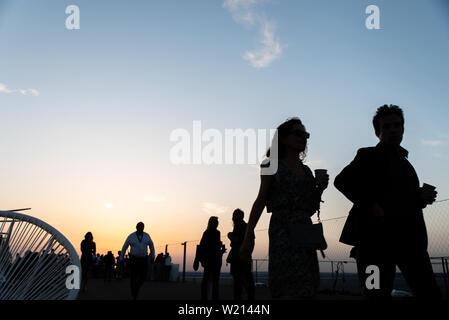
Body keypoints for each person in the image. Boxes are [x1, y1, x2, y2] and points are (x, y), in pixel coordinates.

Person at [334, 105, 442, 299]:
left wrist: (420, 198)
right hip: (373, 245)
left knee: (428, 291)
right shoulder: (368, 155)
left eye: (397, 125)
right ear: (378, 132)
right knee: (374, 293)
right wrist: (370, 204)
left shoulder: (406, 162)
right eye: (387, 126)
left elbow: (397, 198)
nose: (393, 129)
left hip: (409, 242)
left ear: (403, 129)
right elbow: (342, 181)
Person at [240, 117, 329, 299]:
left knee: (307, 285)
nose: (303, 137)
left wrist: (320, 189)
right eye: (298, 133)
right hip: (283, 230)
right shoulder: (270, 164)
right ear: (283, 138)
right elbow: (261, 200)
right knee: (285, 284)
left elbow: (310, 208)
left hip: (304, 229)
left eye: (306, 134)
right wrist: (248, 236)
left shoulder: (307, 171)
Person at [119, 222, 155, 300]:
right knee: (133, 277)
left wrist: (153, 256)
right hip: (133, 259)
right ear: (136, 227)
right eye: (139, 226)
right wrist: (121, 258)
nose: (141, 228)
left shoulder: (147, 236)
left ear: (143, 227)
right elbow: (124, 247)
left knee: (144, 276)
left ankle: (136, 288)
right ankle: (134, 294)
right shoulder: (131, 236)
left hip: (143, 259)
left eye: (142, 227)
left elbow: (151, 246)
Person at [227, 208, 255, 300]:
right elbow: (252, 242)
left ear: (238, 217)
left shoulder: (242, 227)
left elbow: (246, 241)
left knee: (239, 284)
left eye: (234, 216)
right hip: (243, 258)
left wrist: (231, 236)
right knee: (245, 282)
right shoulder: (246, 226)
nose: (232, 218)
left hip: (240, 258)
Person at [199, 216, 227, 300]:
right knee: (214, 282)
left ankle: (205, 297)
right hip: (214, 260)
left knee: (206, 281)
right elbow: (214, 247)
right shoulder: (216, 233)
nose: (217, 223)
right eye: (216, 222)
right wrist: (220, 249)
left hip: (209, 260)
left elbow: (202, 246)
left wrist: (201, 259)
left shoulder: (206, 232)